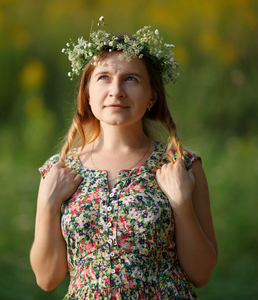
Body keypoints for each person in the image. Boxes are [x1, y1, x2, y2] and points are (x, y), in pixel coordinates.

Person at [30, 17, 217, 299]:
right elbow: (47, 278)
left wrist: (181, 204)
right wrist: (47, 205)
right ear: (88, 95)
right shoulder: (60, 172)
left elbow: (201, 275)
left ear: (152, 97)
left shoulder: (181, 165)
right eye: (104, 77)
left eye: (131, 79)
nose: (116, 91)